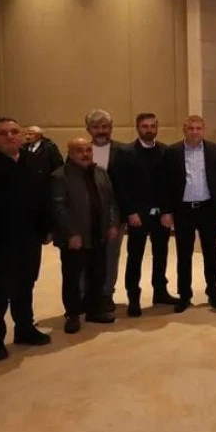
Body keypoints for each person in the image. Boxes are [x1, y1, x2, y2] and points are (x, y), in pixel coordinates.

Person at [0, 117, 53, 361]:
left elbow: (41, 197)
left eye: (14, 131)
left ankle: (24, 329)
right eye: (3, 133)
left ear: (22, 135)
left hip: (29, 238)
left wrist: (46, 228)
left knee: (26, 285)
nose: (10, 136)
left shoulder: (31, 161)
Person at [51, 138, 119, 333]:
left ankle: (94, 310)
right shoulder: (60, 176)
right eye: (80, 151)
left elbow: (111, 201)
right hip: (75, 238)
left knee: (97, 274)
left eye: (88, 150)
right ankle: (73, 314)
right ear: (70, 153)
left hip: (98, 233)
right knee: (72, 278)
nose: (85, 154)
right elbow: (59, 207)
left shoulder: (100, 173)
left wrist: (112, 224)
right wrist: (72, 233)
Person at [163, 115, 216, 312]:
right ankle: (184, 295)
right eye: (191, 128)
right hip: (183, 210)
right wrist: (167, 211)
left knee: (210, 254)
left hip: (207, 208)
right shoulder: (172, 152)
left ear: (203, 130)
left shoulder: (215, 151)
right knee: (184, 255)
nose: (194, 132)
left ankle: (213, 292)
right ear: (184, 130)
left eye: (198, 128)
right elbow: (165, 183)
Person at [121, 112, 177, 316]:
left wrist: (168, 211)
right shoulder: (126, 152)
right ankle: (133, 298)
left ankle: (160, 292)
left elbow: (170, 185)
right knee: (134, 258)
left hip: (161, 215)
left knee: (161, 255)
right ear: (138, 128)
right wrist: (130, 212)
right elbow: (122, 186)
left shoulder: (165, 151)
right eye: (145, 126)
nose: (149, 130)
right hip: (137, 216)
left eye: (152, 126)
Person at [85, 110, 131, 314]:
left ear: (111, 128)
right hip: (87, 215)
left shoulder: (124, 151)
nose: (101, 131)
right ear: (88, 129)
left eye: (105, 126)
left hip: (115, 214)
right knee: (87, 255)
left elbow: (128, 186)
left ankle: (106, 294)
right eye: (96, 127)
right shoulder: (81, 150)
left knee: (110, 256)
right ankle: (86, 295)